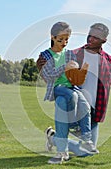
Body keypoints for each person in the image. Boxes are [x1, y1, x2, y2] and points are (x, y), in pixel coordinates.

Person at [37, 23, 111, 158]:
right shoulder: (73, 55)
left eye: (95, 37)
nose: (90, 39)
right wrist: (42, 64)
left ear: (104, 40)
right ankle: (60, 140)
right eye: (89, 35)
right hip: (73, 107)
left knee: (86, 152)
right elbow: (52, 70)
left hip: (93, 113)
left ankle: (53, 138)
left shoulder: (110, 62)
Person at [39, 21, 97, 164]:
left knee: (84, 104)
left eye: (67, 40)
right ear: (52, 37)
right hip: (57, 88)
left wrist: (79, 71)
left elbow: (73, 75)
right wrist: (64, 68)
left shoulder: (70, 54)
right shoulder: (45, 56)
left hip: (72, 88)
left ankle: (84, 139)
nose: (64, 43)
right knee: (72, 96)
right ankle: (74, 126)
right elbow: (48, 75)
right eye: (60, 40)